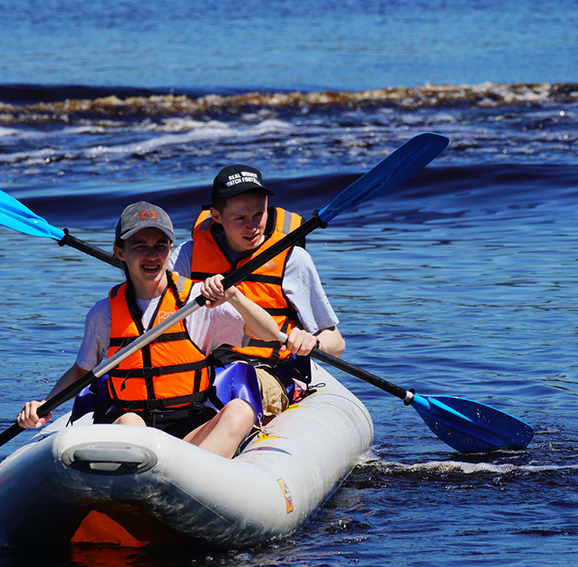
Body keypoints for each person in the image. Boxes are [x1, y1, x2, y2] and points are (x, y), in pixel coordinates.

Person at [17, 201, 282, 459]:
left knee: (241, 410)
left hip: (188, 429)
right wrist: (44, 405)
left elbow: (269, 333)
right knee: (132, 422)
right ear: (119, 252)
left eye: (160, 246)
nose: (152, 255)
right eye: (140, 246)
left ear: (170, 250)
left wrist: (234, 296)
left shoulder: (197, 301)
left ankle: (188, 484)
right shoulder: (104, 313)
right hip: (128, 426)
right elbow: (80, 371)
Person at [168, 164, 344, 415]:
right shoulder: (187, 256)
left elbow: (336, 342)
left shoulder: (293, 260)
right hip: (201, 365)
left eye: (259, 214)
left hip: (266, 370)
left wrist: (312, 341)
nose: (253, 227)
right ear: (216, 216)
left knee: (232, 387)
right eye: (240, 218)